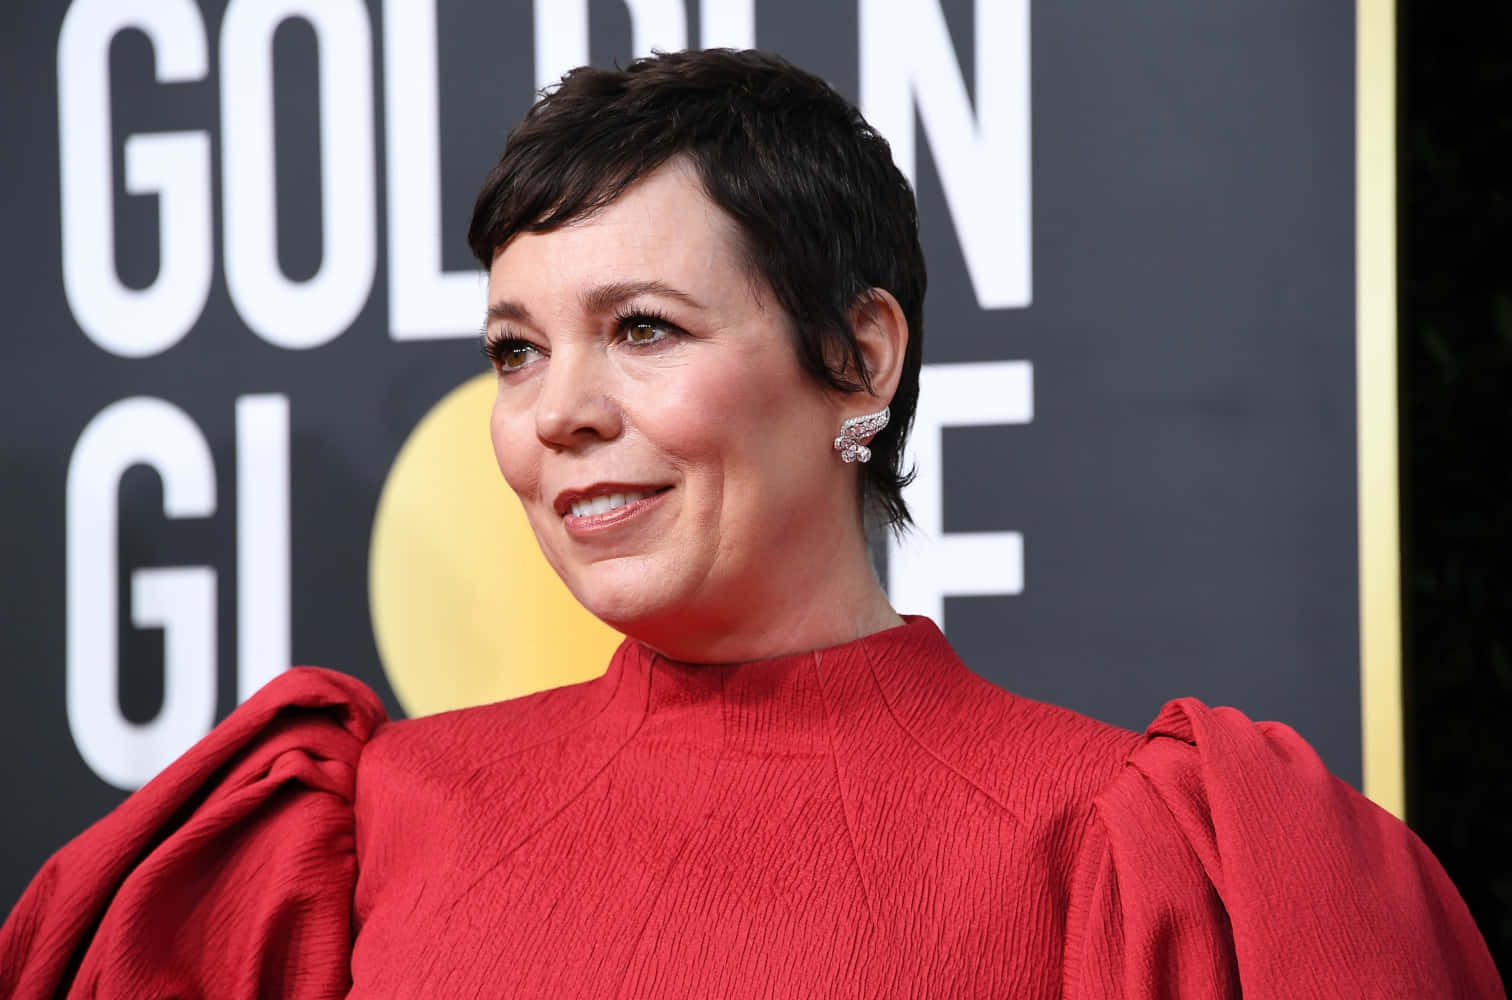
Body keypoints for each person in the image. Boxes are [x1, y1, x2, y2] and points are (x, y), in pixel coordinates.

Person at [1, 48, 1501, 998]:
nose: (552, 413)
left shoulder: (1141, 860)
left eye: (641, 329)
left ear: (859, 356)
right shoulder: (353, 836)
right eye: (515, 350)